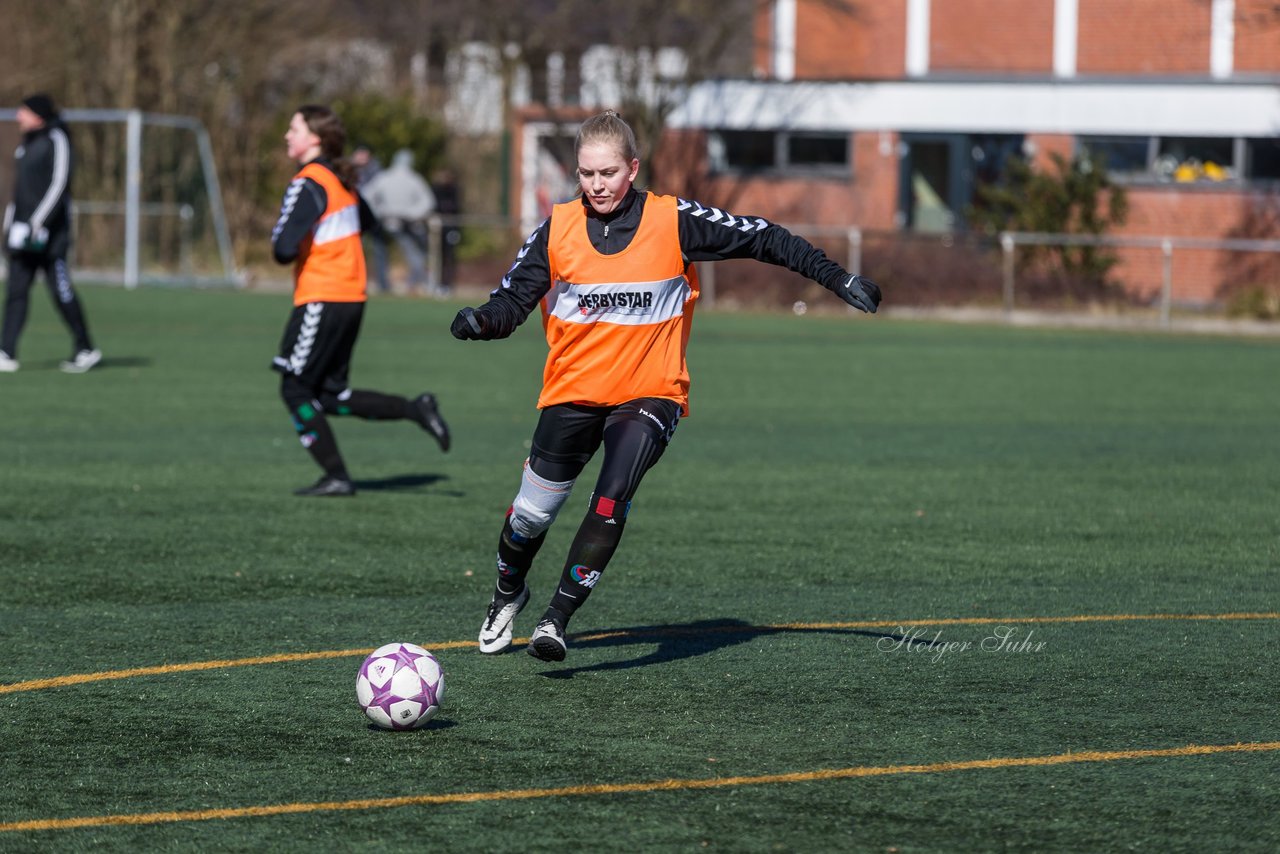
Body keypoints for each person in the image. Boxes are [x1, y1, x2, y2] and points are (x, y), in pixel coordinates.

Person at [450, 111, 881, 661]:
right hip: (572, 392)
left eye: (607, 173)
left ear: (632, 168)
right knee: (531, 515)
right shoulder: (556, 229)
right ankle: (508, 593)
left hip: (652, 393)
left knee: (612, 497)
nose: (597, 185)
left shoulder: (672, 220)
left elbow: (765, 238)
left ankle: (555, 619)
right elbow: (511, 302)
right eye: (586, 174)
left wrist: (837, 278)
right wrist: (482, 322)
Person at [270, 105, 451, 497]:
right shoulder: (342, 180)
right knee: (332, 396)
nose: (287, 135)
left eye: (293, 127)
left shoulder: (310, 181)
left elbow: (283, 248)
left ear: (314, 138)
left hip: (323, 295)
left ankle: (337, 476)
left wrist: (297, 239)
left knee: (295, 388)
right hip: (351, 296)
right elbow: (367, 222)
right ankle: (415, 408)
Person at [1, 94, 100, 373]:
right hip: (22, 233)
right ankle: (6, 352)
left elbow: (59, 184)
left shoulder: (57, 139)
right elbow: (18, 191)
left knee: (60, 289)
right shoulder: (25, 145)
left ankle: (86, 348)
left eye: (24, 111)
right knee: (16, 290)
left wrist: (38, 221)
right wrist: (11, 223)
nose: (18, 117)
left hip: (49, 235)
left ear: (38, 114)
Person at [362, 149, 435, 296]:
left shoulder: (384, 177)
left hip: (396, 222)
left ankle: (410, 283)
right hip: (401, 223)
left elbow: (366, 197)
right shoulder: (413, 179)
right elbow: (428, 202)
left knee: (408, 252)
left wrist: (380, 212)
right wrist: (410, 213)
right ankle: (409, 283)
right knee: (411, 253)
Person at [350, 144, 391, 295]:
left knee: (380, 250)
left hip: (375, 216)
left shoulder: (377, 171)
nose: (361, 157)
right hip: (354, 216)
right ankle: (355, 283)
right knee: (355, 251)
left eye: (364, 154)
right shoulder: (348, 170)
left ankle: (383, 283)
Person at [429, 167, 462, 295]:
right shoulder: (435, 189)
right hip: (437, 229)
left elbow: (456, 208)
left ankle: (447, 284)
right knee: (437, 256)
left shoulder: (454, 189)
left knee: (450, 256)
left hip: (451, 227)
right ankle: (435, 283)